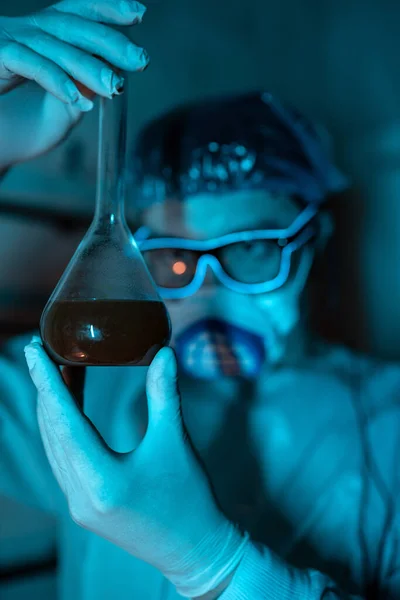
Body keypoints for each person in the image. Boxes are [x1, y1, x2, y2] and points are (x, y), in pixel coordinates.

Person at [1, 1, 400, 599]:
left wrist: (217, 565)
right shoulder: (83, 394)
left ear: (312, 243)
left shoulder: (391, 426)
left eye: (252, 250)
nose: (209, 290)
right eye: (175, 260)